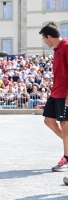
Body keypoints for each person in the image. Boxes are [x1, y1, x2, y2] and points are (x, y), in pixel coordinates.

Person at [39, 22, 68, 172]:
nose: (44, 41)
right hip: (55, 92)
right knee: (48, 121)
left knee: (65, 125)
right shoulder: (56, 49)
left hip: (64, 94)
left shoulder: (66, 47)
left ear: (49, 37)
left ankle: (67, 158)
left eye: (44, 39)